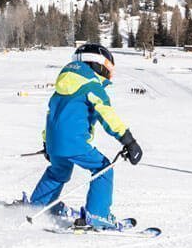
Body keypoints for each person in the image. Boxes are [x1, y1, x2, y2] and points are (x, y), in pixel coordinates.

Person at [26, 42, 144, 230]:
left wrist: (48, 143)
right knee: (103, 168)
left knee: (59, 171)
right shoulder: (92, 87)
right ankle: (97, 216)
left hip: (55, 144)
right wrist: (128, 141)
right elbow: (108, 116)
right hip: (75, 143)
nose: (110, 75)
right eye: (109, 68)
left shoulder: (60, 90)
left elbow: (51, 116)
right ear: (98, 65)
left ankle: (39, 205)